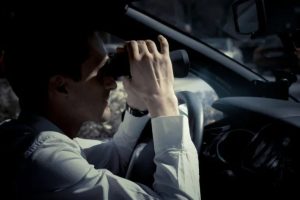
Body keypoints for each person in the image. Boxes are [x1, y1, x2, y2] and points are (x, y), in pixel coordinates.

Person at [1, 12, 201, 200]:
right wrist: (163, 99)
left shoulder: (27, 137)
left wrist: (138, 103)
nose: (112, 83)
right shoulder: (45, 160)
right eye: (101, 72)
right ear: (61, 87)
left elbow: (115, 157)